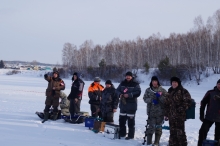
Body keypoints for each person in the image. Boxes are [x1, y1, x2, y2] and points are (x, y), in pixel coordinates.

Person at [164, 77, 192, 146]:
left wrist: (180, 108)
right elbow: (166, 103)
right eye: (173, 82)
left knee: (180, 132)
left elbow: (188, 102)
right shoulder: (170, 91)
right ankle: (172, 144)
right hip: (171, 115)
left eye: (175, 82)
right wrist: (166, 114)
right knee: (172, 131)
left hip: (180, 116)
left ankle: (182, 144)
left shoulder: (183, 91)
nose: (174, 84)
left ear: (178, 83)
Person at [116, 71, 141, 140]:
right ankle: (122, 133)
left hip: (131, 106)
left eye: (129, 76)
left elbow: (138, 92)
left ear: (131, 77)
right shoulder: (122, 83)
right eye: (127, 76)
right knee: (122, 120)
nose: (128, 77)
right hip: (123, 105)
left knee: (130, 122)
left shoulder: (135, 84)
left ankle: (130, 135)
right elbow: (117, 90)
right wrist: (120, 94)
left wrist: (129, 95)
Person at [143, 76, 167, 146]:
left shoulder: (162, 90)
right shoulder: (148, 90)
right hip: (151, 112)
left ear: (158, 82)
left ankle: (156, 142)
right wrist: (151, 100)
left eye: (155, 81)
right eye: (153, 81)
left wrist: (160, 97)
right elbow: (144, 99)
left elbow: (166, 100)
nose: (154, 82)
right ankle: (149, 143)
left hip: (160, 113)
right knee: (151, 128)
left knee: (158, 128)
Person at [197, 79, 220, 146]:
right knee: (202, 132)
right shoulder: (210, 92)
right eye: (219, 84)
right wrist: (201, 114)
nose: (219, 86)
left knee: (218, 136)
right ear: (217, 84)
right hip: (209, 116)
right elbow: (203, 103)